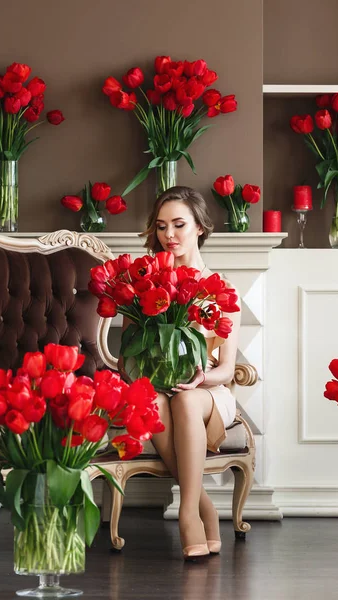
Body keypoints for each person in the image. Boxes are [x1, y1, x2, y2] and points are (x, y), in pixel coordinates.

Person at [118, 186, 241, 560]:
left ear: (200, 227)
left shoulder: (220, 289)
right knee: (153, 401)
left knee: (186, 399)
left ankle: (188, 513)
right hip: (159, 387)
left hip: (207, 393)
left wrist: (201, 378)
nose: (168, 235)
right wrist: (148, 373)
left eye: (178, 224)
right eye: (160, 226)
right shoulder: (142, 284)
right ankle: (204, 505)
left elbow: (226, 370)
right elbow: (126, 358)